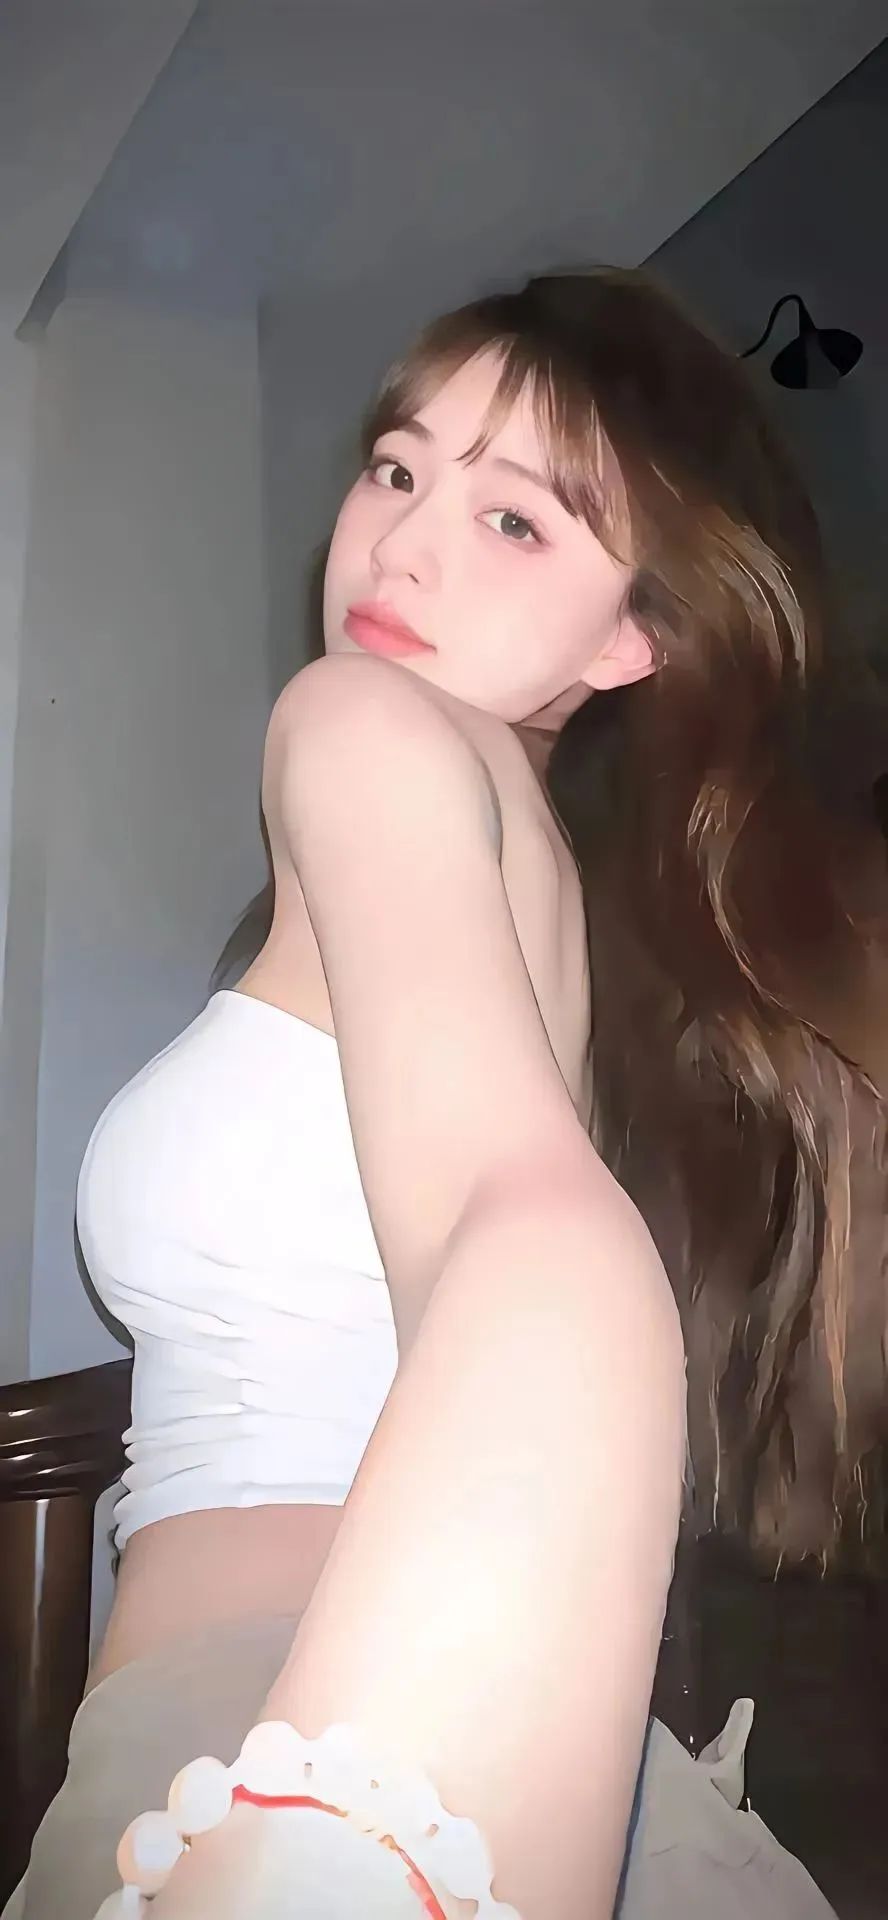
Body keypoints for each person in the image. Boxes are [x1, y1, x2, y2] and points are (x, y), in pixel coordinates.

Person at [9, 266, 884, 1920]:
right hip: (473, 1737)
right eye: (398, 468)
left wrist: (351, 1841)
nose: (400, 543)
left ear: (633, 635)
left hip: (305, 1735)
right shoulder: (534, 869)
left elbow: (533, 1228)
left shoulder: (354, 721)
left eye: (515, 520)